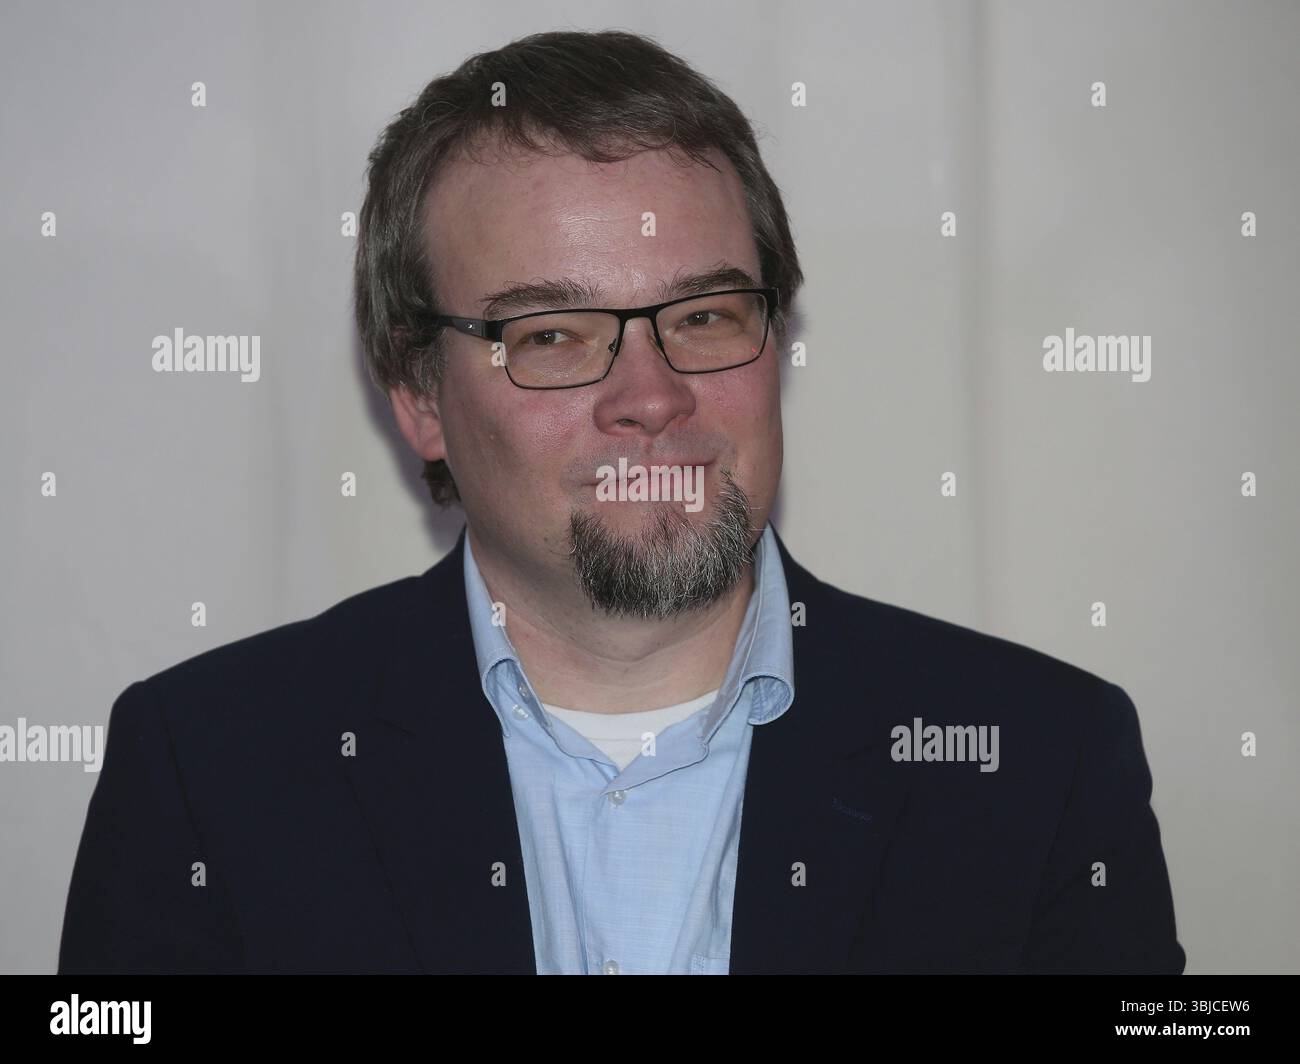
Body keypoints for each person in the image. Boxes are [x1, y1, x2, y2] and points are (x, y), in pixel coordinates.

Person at [58, 28, 1184, 975]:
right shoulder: (208, 772)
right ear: (419, 398)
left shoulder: (1038, 764)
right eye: (551, 334)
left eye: (701, 315)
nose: (650, 396)